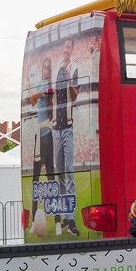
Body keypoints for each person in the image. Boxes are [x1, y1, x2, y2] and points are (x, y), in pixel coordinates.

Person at [52, 37, 80, 236]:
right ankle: (65, 216)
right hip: (57, 127)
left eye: (69, 47)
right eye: (65, 47)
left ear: (73, 49)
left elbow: (76, 94)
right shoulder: (57, 70)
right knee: (60, 174)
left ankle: (71, 219)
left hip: (68, 126)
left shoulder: (74, 68)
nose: (67, 49)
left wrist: (70, 79)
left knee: (69, 174)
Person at [27, 56, 56, 233]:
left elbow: (33, 97)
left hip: (47, 133)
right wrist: (33, 94)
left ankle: (58, 222)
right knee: (35, 179)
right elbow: (32, 100)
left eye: (47, 68)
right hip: (38, 133)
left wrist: (33, 93)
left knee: (52, 176)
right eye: (43, 68)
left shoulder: (48, 85)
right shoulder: (40, 83)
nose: (45, 71)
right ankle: (32, 223)